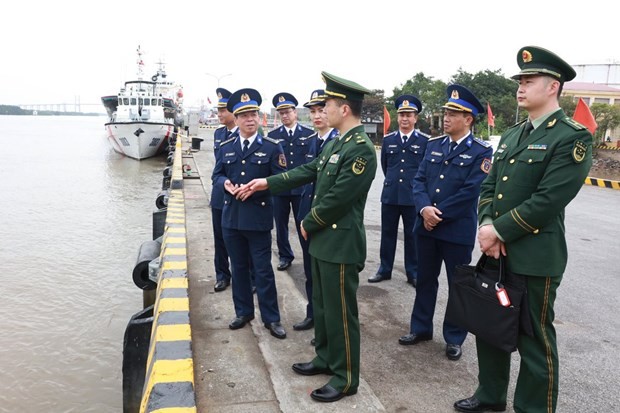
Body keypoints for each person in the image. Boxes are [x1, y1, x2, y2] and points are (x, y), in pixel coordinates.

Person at [454, 46, 593, 413]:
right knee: (490, 326)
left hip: (534, 257)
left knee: (534, 339)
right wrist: (487, 225)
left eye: (529, 81)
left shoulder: (572, 137)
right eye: (519, 81)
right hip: (497, 250)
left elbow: (549, 199)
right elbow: (489, 187)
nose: (520, 87)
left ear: (553, 87)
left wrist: (498, 231)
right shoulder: (514, 135)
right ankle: (490, 395)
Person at [237, 72, 376, 402]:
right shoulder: (338, 143)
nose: (322, 109)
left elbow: (340, 197)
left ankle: (345, 377)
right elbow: (308, 170)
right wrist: (267, 182)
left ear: (344, 109)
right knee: (325, 307)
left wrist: (309, 220)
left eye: (327, 104)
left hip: (341, 244)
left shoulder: (361, 149)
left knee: (342, 312)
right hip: (324, 242)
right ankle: (326, 358)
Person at [399, 85, 493, 362]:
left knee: (458, 286)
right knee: (425, 281)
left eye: (454, 113)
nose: (447, 117)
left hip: (455, 231)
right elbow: (419, 181)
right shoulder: (433, 145)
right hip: (426, 229)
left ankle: (454, 338)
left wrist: (436, 214)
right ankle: (420, 328)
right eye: (446, 112)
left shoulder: (481, 152)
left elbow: (471, 191)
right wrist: (424, 208)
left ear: (469, 119)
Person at [211, 88, 287, 340]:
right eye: (244, 115)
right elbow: (217, 175)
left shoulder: (272, 147)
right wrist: (226, 185)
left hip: (258, 219)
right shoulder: (225, 146)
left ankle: (271, 318)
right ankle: (243, 312)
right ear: (237, 118)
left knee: (263, 270)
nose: (250, 119)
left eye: (253, 113)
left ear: (259, 117)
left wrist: (259, 186)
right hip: (231, 219)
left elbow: (281, 179)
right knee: (239, 268)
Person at [369, 95, 429, 287]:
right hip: (391, 195)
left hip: (412, 198)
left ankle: (413, 272)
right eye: (402, 114)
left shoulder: (424, 141)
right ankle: (384, 269)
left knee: (412, 237)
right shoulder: (388, 140)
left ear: (415, 118)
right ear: (397, 117)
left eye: (409, 115)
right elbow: (386, 167)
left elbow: (425, 171)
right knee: (387, 234)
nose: (405, 118)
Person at [294, 89, 339, 334]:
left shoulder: (339, 142)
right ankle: (313, 314)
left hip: (326, 219)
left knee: (327, 277)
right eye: (312, 112)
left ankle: (327, 323)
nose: (317, 116)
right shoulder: (310, 142)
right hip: (306, 213)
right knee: (310, 271)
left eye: (322, 110)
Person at [268, 93, 315, 271]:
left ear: (295, 112)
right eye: (282, 113)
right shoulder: (273, 136)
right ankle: (285, 255)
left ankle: (307, 257)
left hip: (301, 189)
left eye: (288, 112)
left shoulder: (309, 135)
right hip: (280, 189)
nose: (285, 116)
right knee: (280, 225)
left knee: (302, 223)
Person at [211, 88, 238, 292]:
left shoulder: (246, 133)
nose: (219, 114)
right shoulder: (218, 133)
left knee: (239, 239)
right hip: (220, 193)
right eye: (218, 110)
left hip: (240, 194)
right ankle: (222, 275)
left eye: (223, 110)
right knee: (219, 238)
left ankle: (247, 277)